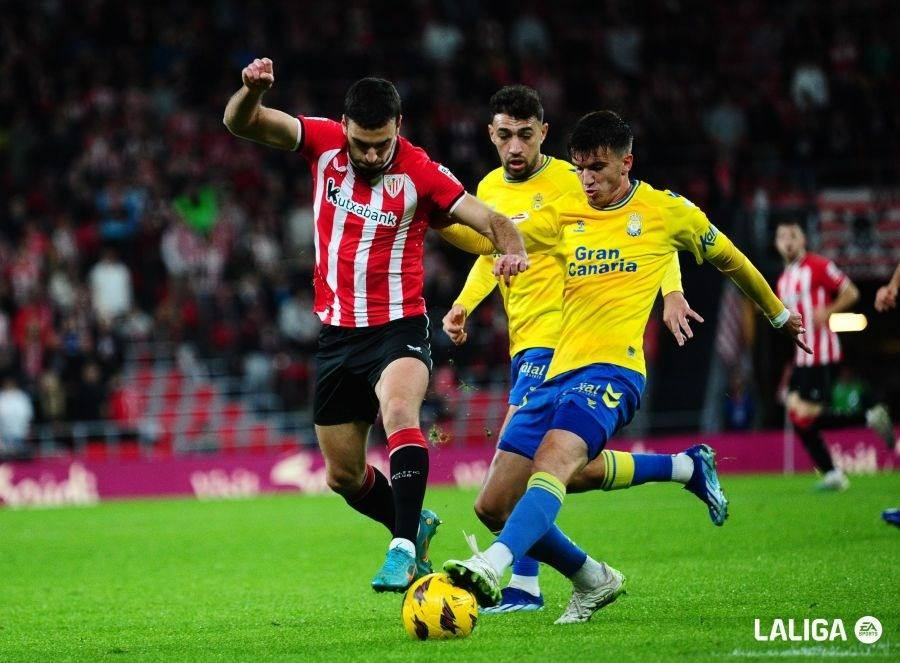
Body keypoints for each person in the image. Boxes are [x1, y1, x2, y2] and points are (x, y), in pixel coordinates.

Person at [438, 110, 810, 624]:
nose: (586, 180)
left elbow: (732, 259)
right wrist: (439, 214)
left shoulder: (666, 211)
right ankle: (593, 578)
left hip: (614, 370)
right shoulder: (567, 209)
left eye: (597, 168)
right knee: (493, 504)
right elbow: (493, 236)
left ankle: (494, 565)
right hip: (556, 371)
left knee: (553, 461)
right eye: (579, 168)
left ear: (625, 162)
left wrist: (777, 313)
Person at [223, 58, 529, 593]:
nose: (370, 154)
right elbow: (240, 124)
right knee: (343, 475)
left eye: (381, 144)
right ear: (344, 126)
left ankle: (403, 548)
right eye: (361, 143)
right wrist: (251, 93)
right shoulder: (322, 143)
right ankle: (412, 523)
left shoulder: (420, 172)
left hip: (399, 326)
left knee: (398, 410)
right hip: (337, 335)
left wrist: (514, 248)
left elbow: (491, 219)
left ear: (398, 127)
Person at [442, 85, 705, 614]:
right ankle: (681, 470)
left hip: (563, 341)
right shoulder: (490, 186)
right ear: (490, 136)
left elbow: (651, 227)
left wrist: (671, 291)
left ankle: (523, 584)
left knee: (514, 483)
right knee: (562, 470)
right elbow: (492, 248)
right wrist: (464, 303)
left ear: (542, 133)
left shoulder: (573, 177)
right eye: (503, 135)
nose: (514, 146)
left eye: (524, 134)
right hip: (523, 344)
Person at [775, 220, 895, 491]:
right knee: (797, 416)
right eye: (782, 237)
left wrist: (829, 311)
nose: (788, 242)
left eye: (793, 235)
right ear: (777, 244)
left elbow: (851, 291)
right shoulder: (783, 280)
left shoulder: (817, 266)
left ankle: (866, 417)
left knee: (806, 416)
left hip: (821, 354)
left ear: (803, 239)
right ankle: (832, 473)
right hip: (801, 359)